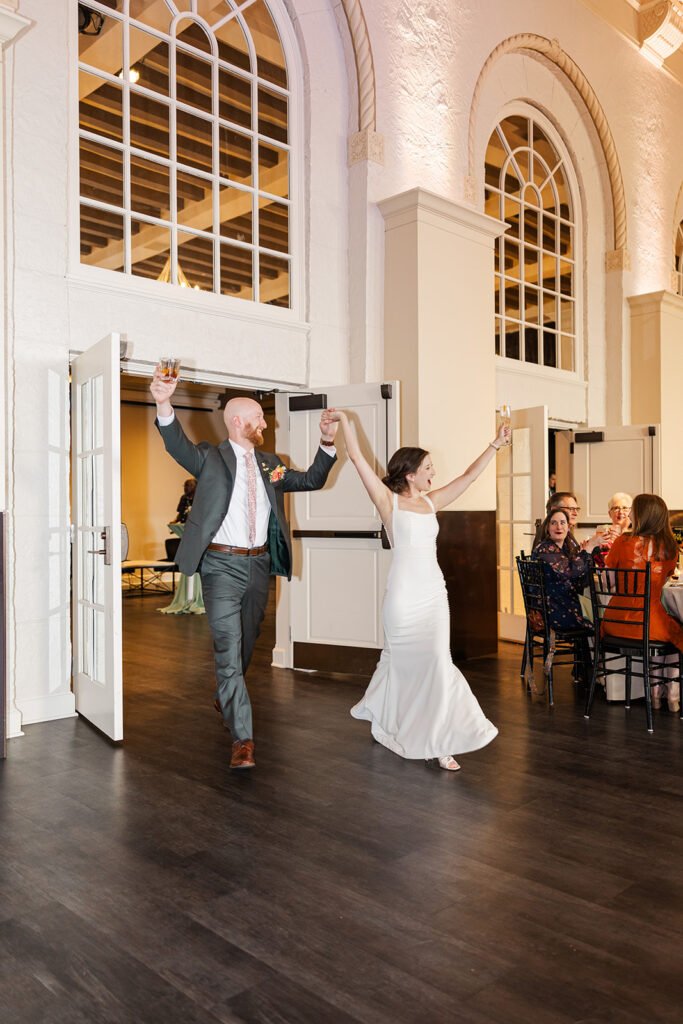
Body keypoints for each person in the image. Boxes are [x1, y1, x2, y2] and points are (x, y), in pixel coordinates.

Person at [150, 368, 338, 770]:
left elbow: (312, 481)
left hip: (259, 566)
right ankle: (243, 740)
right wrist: (163, 401)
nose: (265, 422)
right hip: (220, 566)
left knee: (246, 640)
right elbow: (176, 444)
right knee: (227, 650)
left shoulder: (271, 463)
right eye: (259, 416)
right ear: (238, 421)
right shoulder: (210, 458)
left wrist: (326, 440)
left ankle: (226, 693)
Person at [320, 407, 503, 773]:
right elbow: (356, 457)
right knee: (403, 665)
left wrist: (495, 444)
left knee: (438, 663)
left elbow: (468, 477)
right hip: (403, 599)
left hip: (434, 595)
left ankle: (441, 741)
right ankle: (388, 719)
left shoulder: (431, 503)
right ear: (410, 473)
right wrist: (345, 423)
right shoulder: (389, 503)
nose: (434, 473)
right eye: (429, 467)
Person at [603, 493, 683, 712]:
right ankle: (669, 697)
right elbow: (666, 582)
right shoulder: (670, 548)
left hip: (617, 620)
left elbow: (608, 582)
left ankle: (656, 695)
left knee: (665, 632)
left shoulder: (622, 541)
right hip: (649, 622)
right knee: (676, 635)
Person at [532, 508, 605, 631]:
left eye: (562, 523)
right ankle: (594, 649)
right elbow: (570, 572)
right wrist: (590, 546)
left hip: (563, 604)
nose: (558, 527)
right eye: (553, 523)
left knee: (601, 617)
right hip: (553, 610)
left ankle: (585, 650)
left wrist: (583, 554)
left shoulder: (564, 549)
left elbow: (579, 581)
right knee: (602, 623)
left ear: (568, 527)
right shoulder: (545, 549)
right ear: (547, 527)